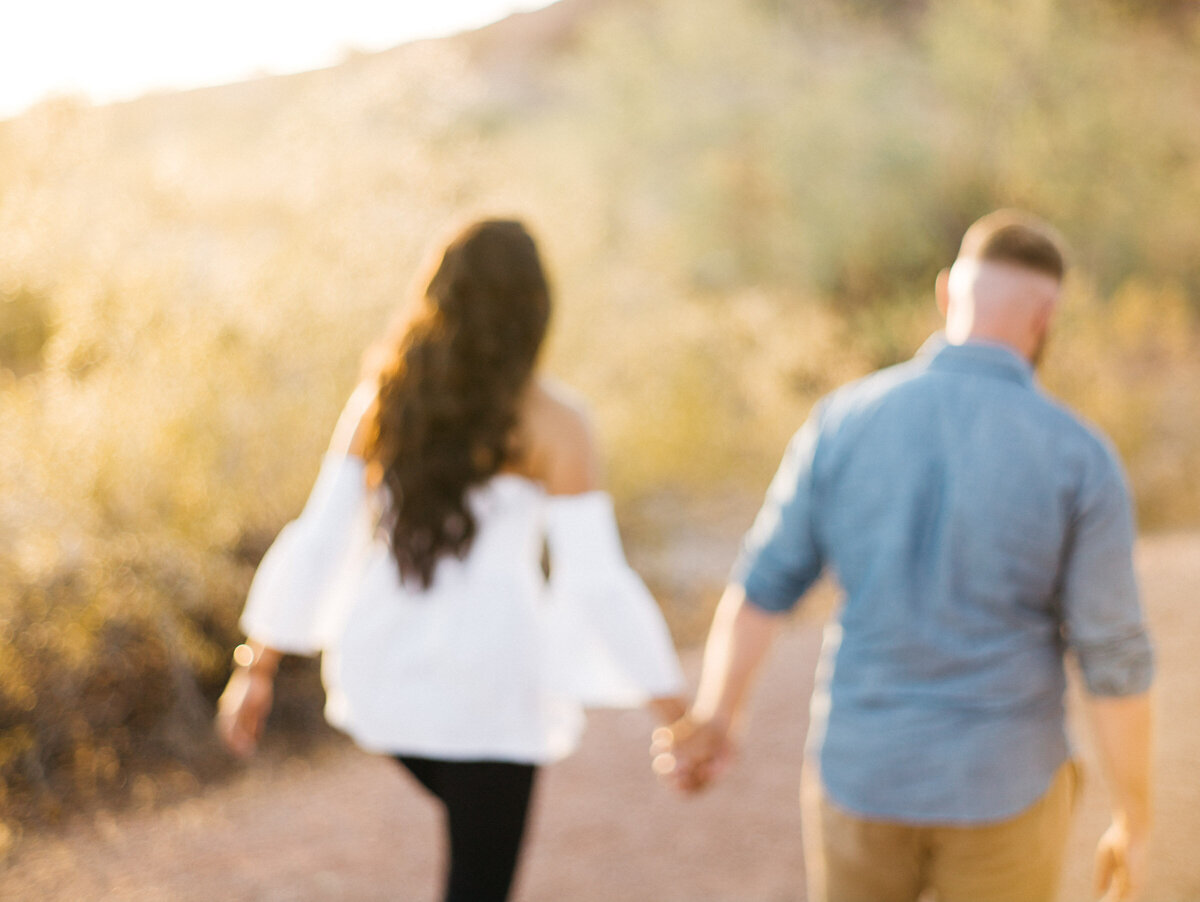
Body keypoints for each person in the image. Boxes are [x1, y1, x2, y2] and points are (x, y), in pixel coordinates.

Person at [652, 210, 1155, 902]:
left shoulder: (843, 421)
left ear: (948, 294)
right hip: (1004, 787)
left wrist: (717, 716)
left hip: (861, 775)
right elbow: (1115, 657)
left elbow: (762, 588)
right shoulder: (1080, 458)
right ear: (1048, 317)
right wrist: (1134, 811)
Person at [216, 219, 687, 902]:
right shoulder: (556, 421)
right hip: (492, 684)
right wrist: (676, 712)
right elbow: (595, 581)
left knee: (472, 844)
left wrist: (254, 669)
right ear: (534, 310)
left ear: (436, 297)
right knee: (479, 878)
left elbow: (321, 536)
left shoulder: (383, 401)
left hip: (384, 668)